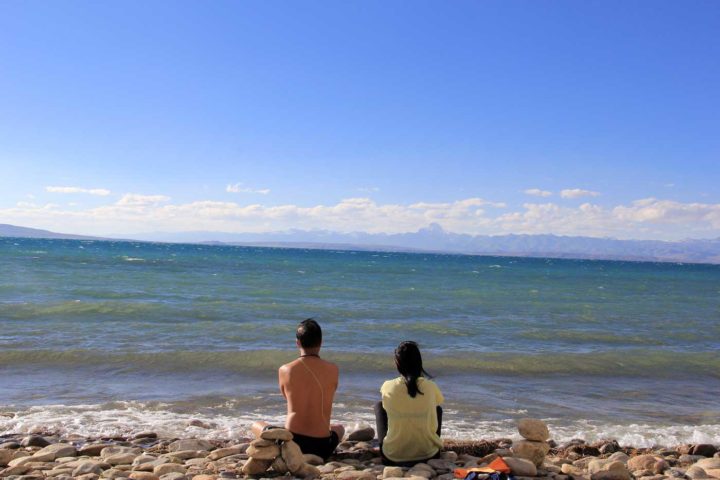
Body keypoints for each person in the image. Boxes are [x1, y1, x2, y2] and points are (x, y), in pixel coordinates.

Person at [251, 319, 345, 460]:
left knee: (256, 425)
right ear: (321, 342)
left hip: (292, 444)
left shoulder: (285, 370)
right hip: (322, 447)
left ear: (297, 342)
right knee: (339, 428)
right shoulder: (333, 369)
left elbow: (287, 396)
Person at [374, 341, 443, 465]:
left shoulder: (387, 386)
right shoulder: (431, 386)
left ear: (397, 363)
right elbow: (436, 405)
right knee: (437, 408)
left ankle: (388, 443)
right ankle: (430, 441)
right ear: (419, 363)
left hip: (392, 456)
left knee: (379, 406)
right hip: (429, 454)